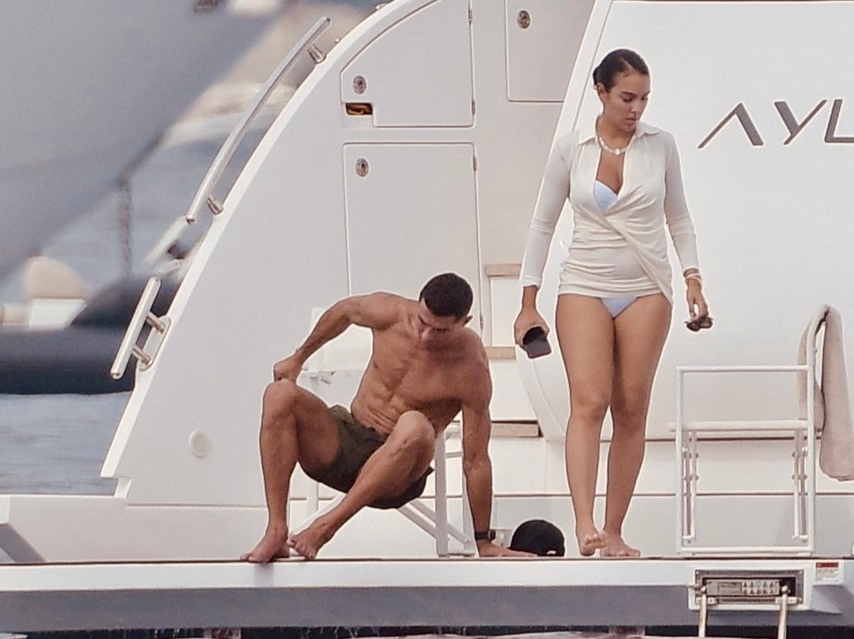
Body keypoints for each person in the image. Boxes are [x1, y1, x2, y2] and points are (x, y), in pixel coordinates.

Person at [514, 49, 710, 558]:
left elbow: (679, 218)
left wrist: (692, 277)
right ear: (600, 92)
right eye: (626, 97)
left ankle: (615, 528)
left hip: (647, 284)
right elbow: (542, 223)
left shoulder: (660, 145)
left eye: (643, 98)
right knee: (589, 401)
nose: (635, 108)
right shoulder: (571, 149)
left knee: (631, 407)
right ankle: (585, 523)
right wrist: (528, 298)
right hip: (584, 280)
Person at [242, 272, 529, 562]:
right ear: (418, 304)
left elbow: (476, 459)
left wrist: (484, 541)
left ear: (463, 323)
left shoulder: (471, 368)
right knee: (279, 394)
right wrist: (298, 358)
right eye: (422, 322)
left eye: (440, 331)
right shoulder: (391, 313)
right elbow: (345, 311)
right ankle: (276, 530)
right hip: (346, 443)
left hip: (398, 474)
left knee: (416, 425)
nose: (426, 336)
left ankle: (326, 527)